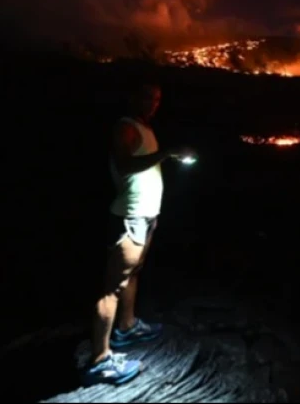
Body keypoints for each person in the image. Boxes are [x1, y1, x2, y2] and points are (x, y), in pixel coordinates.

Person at [83, 80, 195, 386]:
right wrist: (166, 153)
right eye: (146, 97)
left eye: (157, 99)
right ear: (131, 96)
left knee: (134, 273)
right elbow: (126, 165)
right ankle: (99, 360)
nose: (152, 104)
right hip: (129, 216)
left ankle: (127, 327)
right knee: (112, 287)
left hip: (147, 215)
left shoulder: (145, 128)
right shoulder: (125, 127)